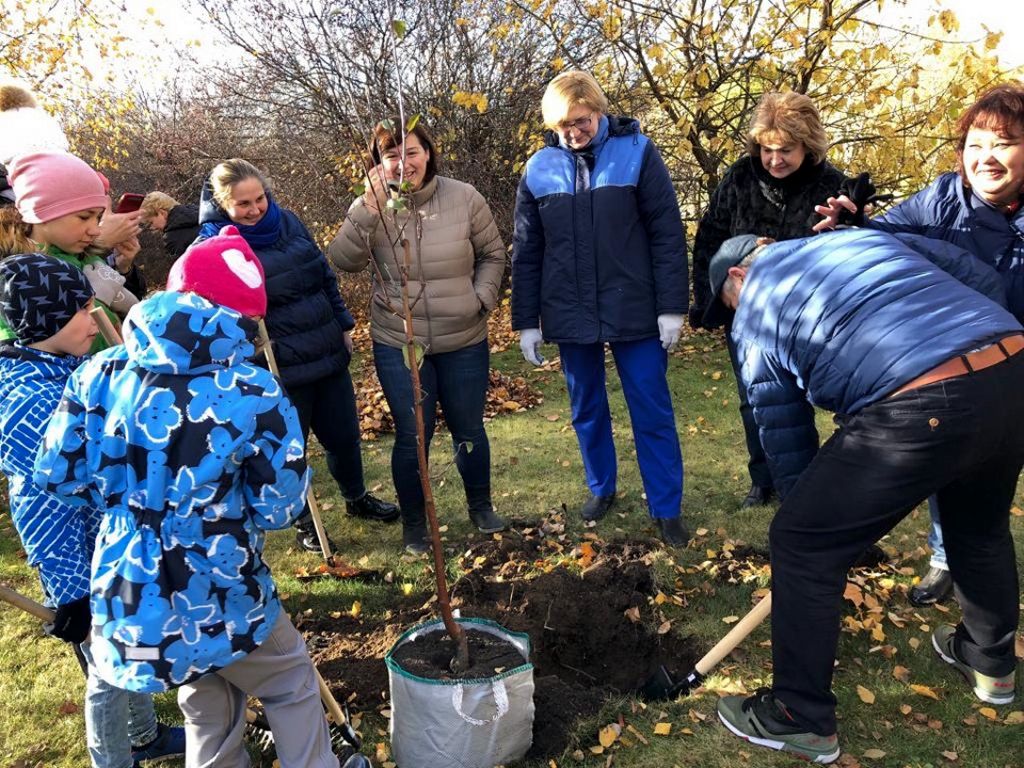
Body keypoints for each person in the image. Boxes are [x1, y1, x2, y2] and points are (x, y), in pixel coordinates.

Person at [33, 228, 365, 768]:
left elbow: (58, 476)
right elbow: (280, 508)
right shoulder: (252, 391)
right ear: (239, 317)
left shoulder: (97, 373)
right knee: (289, 683)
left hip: (134, 590)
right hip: (221, 585)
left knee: (207, 706)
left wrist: (132, 498)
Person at [704, 229, 1021, 763]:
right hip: (1011, 366)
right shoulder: (861, 239)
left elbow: (783, 429)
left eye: (726, 306)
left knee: (802, 542)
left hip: (923, 396)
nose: (732, 317)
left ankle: (797, 716)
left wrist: (820, 519)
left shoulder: (756, 307)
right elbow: (976, 275)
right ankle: (990, 665)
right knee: (979, 526)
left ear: (739, 275)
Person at [814, 82, 1024, 606]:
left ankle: (974, 576)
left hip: (1015, 368)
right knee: (949, 464)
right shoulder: (940, 200)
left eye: (1003, 143)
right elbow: (884, 234)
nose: (986, 158)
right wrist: (852, 224)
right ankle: (945, 560)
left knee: (990, 486)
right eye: (975, 145)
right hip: (953, 366)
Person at [0, 253, 185, 768]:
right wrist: (70, 592)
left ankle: (144, 735)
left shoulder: (63, 367)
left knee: (133, 644)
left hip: (107, 542)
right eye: (82, 309)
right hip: (74, 559)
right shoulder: (26, 397)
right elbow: (47, 502)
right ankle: (113, 759)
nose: (93, 317)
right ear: (46, 319)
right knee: (107, 666)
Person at [511, 70, 689, 545]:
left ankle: (666, 506)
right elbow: (526, 251)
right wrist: (526, 321)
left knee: (650, 408)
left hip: (634, 305)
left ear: (599, 111)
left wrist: (672, 307)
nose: (573, 132)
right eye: (563, 125)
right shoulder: (538, 169)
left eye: (582, 121)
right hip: (569, 311)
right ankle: (601, 487)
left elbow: (667, 234)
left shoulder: (637, 153)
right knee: (586, 407)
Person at [195, 158, 399, 552]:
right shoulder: (213, 247)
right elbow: (210, 314)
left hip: (324, 348)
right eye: (243, 204)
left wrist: (342, 326)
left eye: (260, 199)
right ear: (224, 206)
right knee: (289, 448)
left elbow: (324, 276)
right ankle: (305, 521)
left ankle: (356, 498)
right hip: (276, 365)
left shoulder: (288, 222)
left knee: (343, 436)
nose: (256, 209)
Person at [328, 119, 508, 554]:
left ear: (428, 153)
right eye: (392, 156)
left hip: (464, 338)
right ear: (378, 164)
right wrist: (368, 208)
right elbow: (341, 259)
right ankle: (414, 525)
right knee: (412, 436)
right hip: (400, 344)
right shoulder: (371, 208)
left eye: (411, 152)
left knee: (469, 429)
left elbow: (493, 254)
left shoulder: (464, 197)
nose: (403, 163)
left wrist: (480, 299)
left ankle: (480, 507)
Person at [691, 91, 848, 509]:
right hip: (746, 313)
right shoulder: (740, 177)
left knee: (813, 399)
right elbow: (709, 237)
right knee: (755, 400)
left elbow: (846, 253)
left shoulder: (832, 186)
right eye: (767, 149)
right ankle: (763, 481)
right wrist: (708, 300)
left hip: (809, 315)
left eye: (786, 150)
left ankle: (815, 480)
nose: (775, 159)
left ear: (807, 147)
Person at [0, 152, 131, 351]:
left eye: (97, 217)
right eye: (84, 217)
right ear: (41, 212)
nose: (96, 229)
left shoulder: (84, 257)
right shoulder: (15, 282)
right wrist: (99, 302)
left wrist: (123, 269)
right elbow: (29, 352)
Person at [140, 190, 199, 260]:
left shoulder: (172, 239)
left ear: (162, 213)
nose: (152, 228)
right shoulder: (198, 210)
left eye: (151, 222)